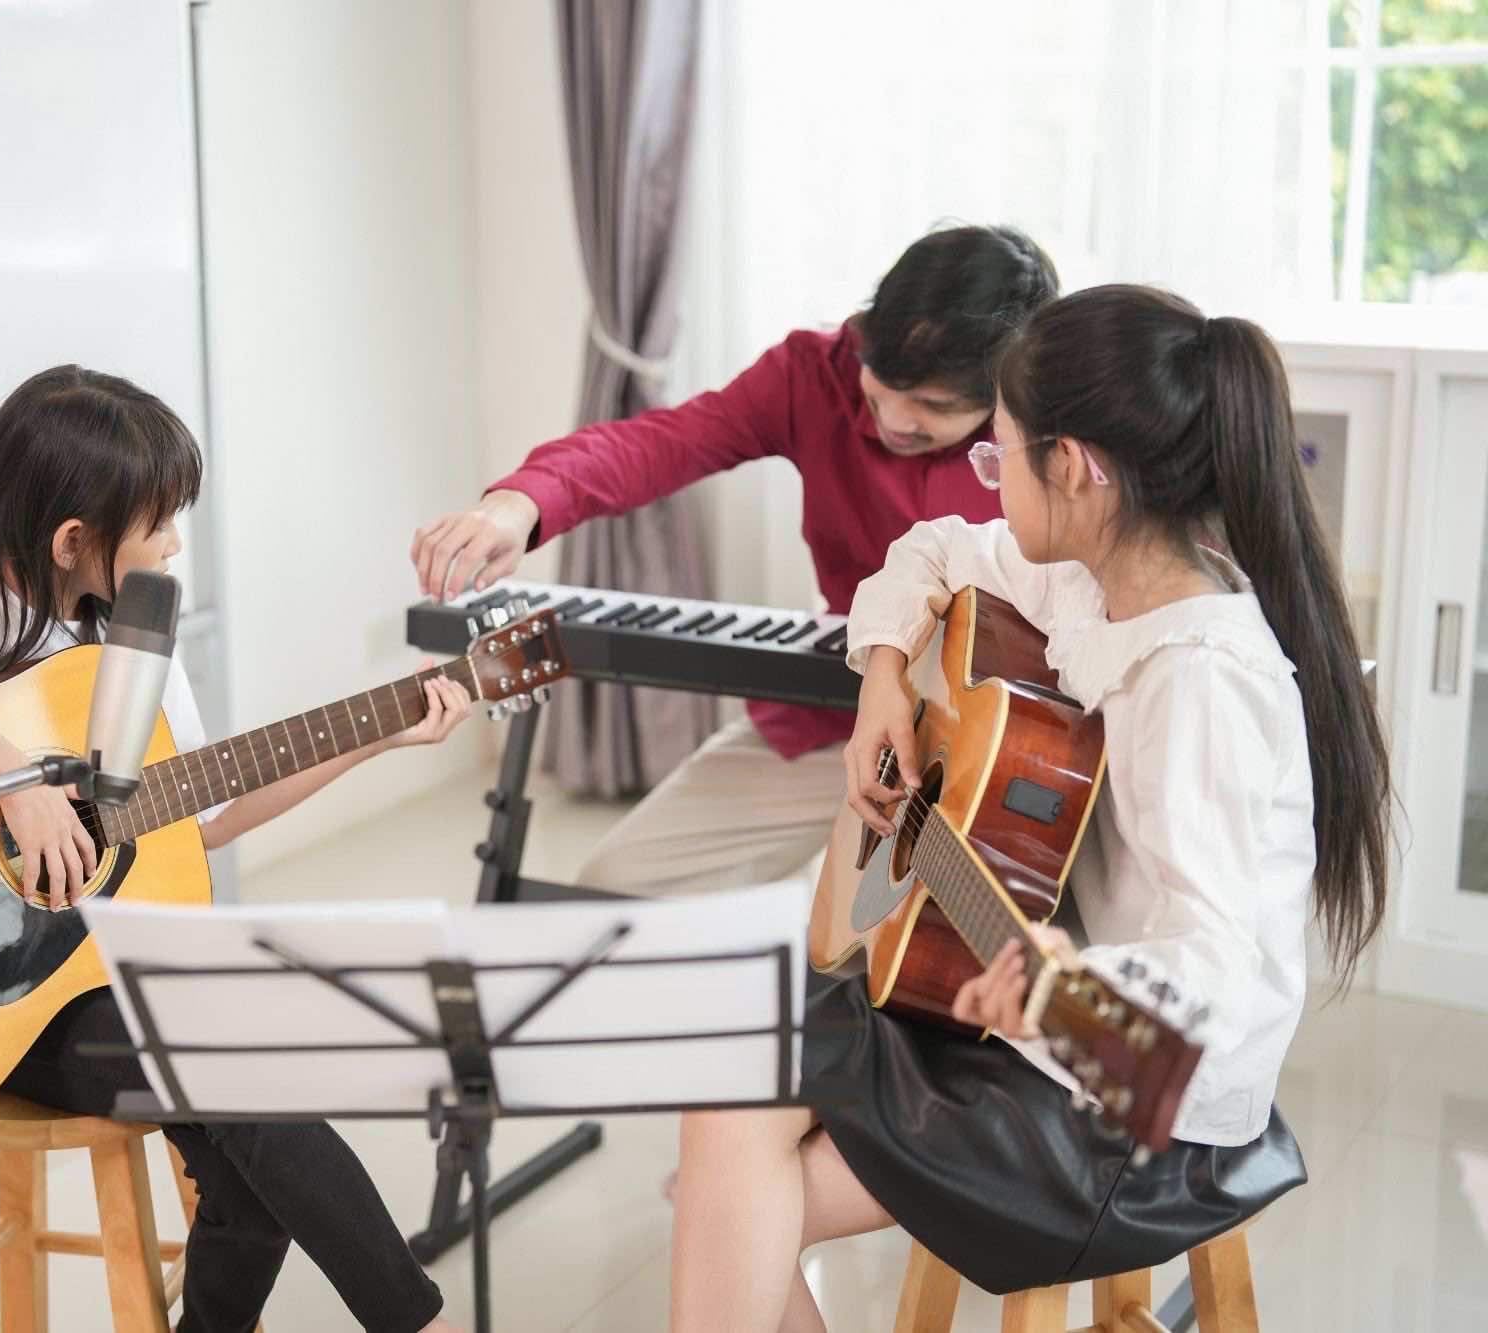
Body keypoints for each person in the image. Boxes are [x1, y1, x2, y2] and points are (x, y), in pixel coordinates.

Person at [667, 286, 1388, 1330]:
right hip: (1030, 1021)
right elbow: (931, 549)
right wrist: (881, 678)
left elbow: (1216, 975)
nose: (987, 482)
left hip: (1137, 1110)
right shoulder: (1093, 579)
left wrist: (1062, 992)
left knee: (733, 1184)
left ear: (1077, 468)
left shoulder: (1200, 681)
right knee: (727, 1097)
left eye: (999, 456)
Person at [0, 365, 469, 1333]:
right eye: (158, 524)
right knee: (248, 1083)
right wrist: (16, 779)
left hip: (86, 974)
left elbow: (205, 814)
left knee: (250, 1131)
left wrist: (380, 731)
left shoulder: (135, 639)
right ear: (73, 539)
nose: (174, 547)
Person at [409, 223, 1059, 897]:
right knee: (615, 888)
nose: (892, 418)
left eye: (932, 406)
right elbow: (665, 443)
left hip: (1008, 747)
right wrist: (518, 503)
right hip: (840, 721)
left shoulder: (1051, 430)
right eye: (879, 384)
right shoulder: (812, 372)